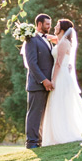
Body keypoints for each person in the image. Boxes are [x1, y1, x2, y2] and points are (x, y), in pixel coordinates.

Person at [21, 13, 55, 149]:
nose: (49, 27)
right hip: (37, 84)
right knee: (34, 114)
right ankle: (32, 143)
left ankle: (40, 141)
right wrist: (44, 80)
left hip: (48, 85)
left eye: (50, 24)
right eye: (47, 24)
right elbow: (32, 64)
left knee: (43, 115)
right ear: (39, 24)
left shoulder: (47, 39)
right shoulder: (31, 39)